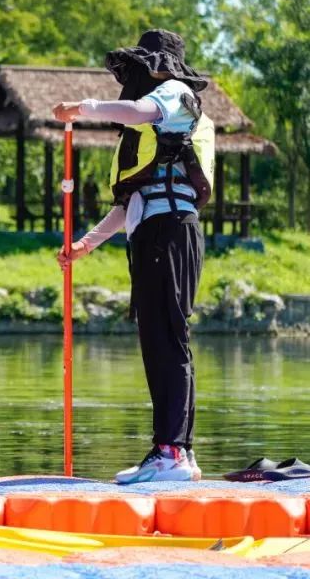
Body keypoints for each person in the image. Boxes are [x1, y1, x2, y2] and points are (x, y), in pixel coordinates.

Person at [53, 29, 214, 484]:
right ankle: (173, 451)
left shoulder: (176, 95)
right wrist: (85, 245)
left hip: (171, 233)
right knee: (158, 340)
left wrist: (81, 108)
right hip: (154, 234)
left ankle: (173, 452)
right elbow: (130, 203)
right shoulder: (156, 129)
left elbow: (139, 110)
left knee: (168, 339)